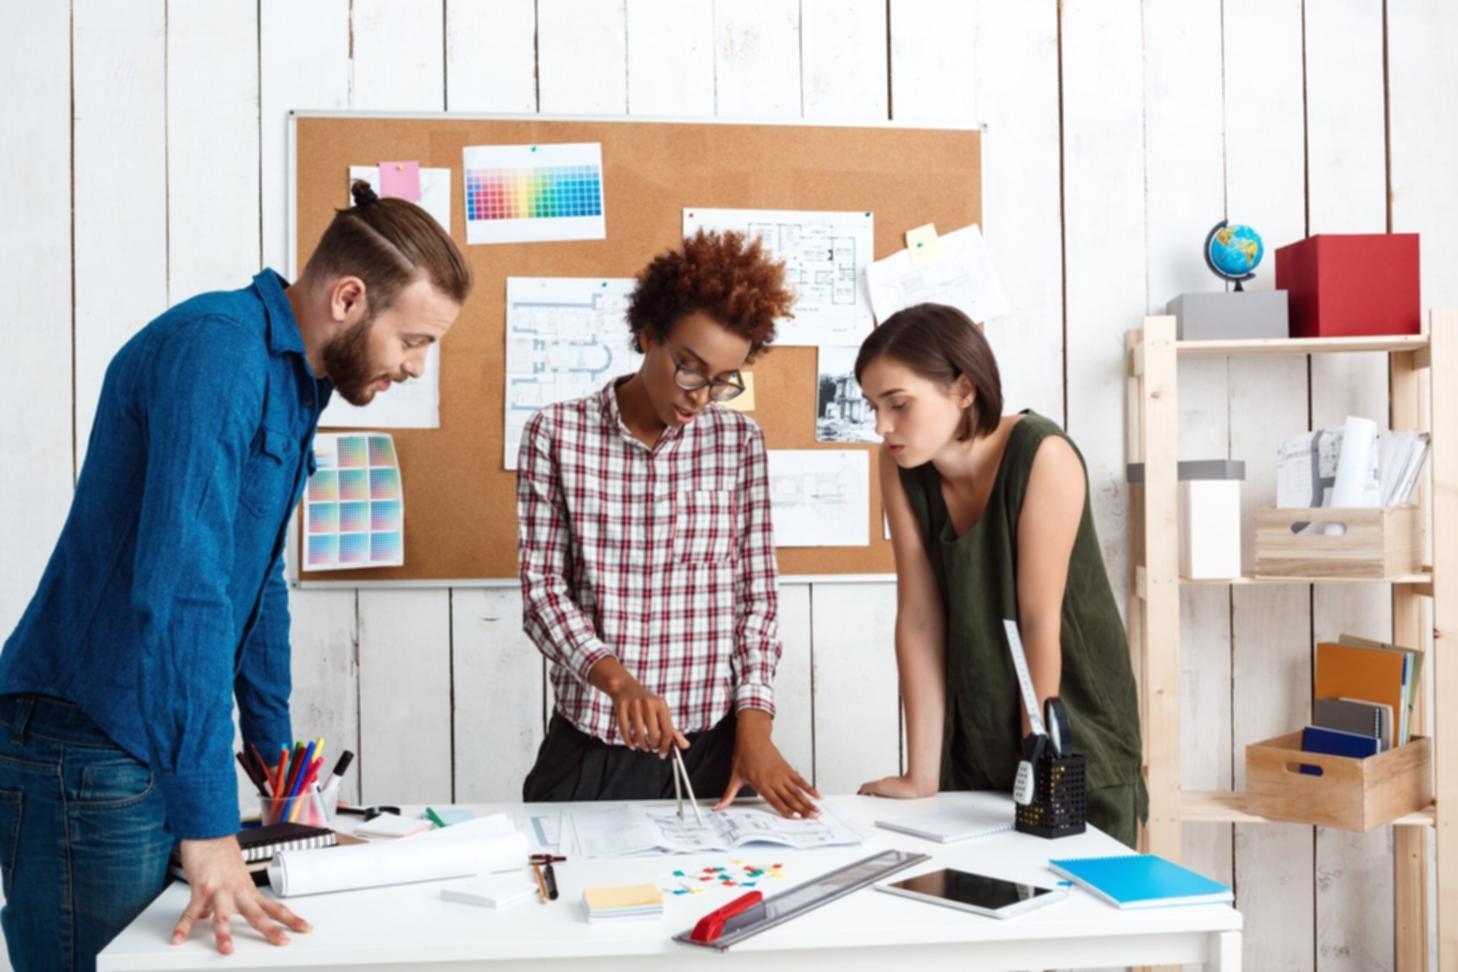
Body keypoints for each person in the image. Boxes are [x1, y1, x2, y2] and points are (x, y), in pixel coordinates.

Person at [0, 180, 471, 968]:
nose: (419, 366)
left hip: (144, 744)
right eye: (415, 340)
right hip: (84, 750)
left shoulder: (295, 382)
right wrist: (208, 823)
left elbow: (251, 587)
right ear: (349, 298)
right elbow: (181, 591)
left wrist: (274, 760)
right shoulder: (218, 350)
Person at [517, 229, 819, 819]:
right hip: (594, 745)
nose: (702, 396)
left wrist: (753, 728)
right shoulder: (557, 435)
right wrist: (620, 685)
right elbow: (543, 594)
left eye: (722, 381)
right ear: (647, 335)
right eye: (689, 368)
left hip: (717, 747)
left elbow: (756, 600)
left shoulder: (739, 443)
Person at [853, 303, 1146, 846]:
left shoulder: (1043, 455)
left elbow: (1039, 622)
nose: (881, 426)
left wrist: (1038, 762)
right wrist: (921, 775)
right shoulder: (899, 464)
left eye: (897, 404)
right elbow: (918, 617)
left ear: (964, 389)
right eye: (872, 406)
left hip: (1069, 731)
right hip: (977, 729)